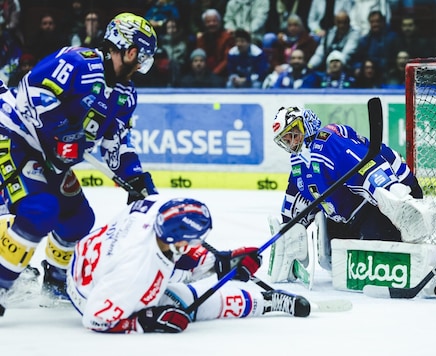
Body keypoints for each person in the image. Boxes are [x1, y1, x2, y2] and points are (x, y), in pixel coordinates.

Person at [0, 13, 160, 316]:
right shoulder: (77, 62)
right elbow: (33, 91)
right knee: (39, 211)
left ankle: (56, 280)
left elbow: (117, 140)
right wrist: (60, 130)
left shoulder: (126, 95)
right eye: (142, 57)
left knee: (78, 219)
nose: (142, 65)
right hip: (16, 139)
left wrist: (136, 178)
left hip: (51, 158)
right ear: (128, 50)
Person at [268, 106, 436, 299]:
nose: (292, 142)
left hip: (389, 194)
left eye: (294, 134)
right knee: (336, 259)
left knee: (380, 251)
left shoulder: (328, 142)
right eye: (286, 140)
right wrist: (288, 231)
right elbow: (298, 197)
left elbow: (369, 168)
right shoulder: (299, 160)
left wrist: (397, 201)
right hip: (351, 212)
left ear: (306, 124)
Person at [66, 195, 310, 333]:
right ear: (175, 241)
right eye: (194, 241)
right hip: (90, 295)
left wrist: (221, 262)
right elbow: (95, 319)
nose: (198, 244)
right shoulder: (137, 274)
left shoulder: (153, 207)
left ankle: (260, 297)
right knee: (185, 301)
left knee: (177, 285)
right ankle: (265, 303)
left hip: (95, 261)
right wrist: (148, 320)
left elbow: (175, 257)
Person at [195, 9, 235, 80]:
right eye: (208, 22)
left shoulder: (227, 37)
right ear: (204, 24)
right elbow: (200, 57)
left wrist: (213, 74)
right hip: (204, 72)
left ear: (219, 22)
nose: (211, 24)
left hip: (223, 73)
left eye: (214, 21)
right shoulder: (201, 38)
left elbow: (227, 60)